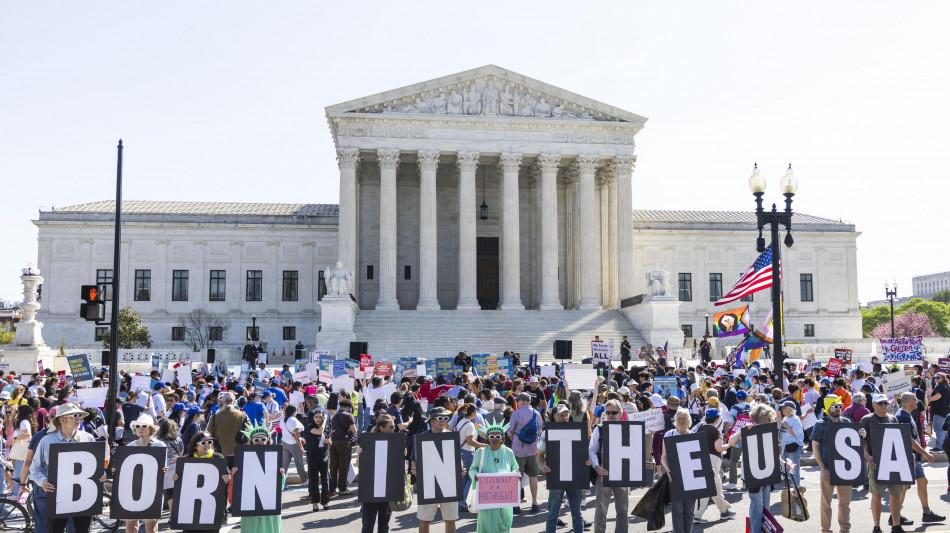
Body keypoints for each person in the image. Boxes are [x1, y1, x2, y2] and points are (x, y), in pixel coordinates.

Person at [29, 403, 107, 533]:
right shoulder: (47, 440)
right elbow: (35, 468)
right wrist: (42, 481)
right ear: (62, 419)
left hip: (83, 496)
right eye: (75, 415)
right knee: (54, 530)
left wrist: (101, 473)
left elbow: (95, 465)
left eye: (80, 416)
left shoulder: (88, 438)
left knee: (82, 530)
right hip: (57, 496)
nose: (79, 419)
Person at [862, 393, 934, 533]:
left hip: (894, 462)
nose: (884, 406)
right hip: (876, 463)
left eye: (885, 403)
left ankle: (896, 525)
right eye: (880, 403)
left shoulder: (893, 418)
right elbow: (860, 441)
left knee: (895, 494)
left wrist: (918, 454)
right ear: (874, 405)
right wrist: (867, 457)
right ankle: (876, 526)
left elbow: (906, 439)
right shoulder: (867, 419)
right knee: (877, 495)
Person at [410, 407, 463, 533]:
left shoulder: (451, 436)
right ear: (431, 421)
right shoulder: (422, 437)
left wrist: (460, 468)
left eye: (445, 418)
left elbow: (457, 458)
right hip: (428, 484)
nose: (443, 421)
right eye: (440, 418)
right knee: (425, 520)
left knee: (450, 520)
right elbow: (413, 459)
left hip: (448, 484)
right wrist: (414, 469)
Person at [811, 395, 859, 533]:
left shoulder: (846, 421)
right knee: (826, 502)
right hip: (828, 468)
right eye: (835, 406)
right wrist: (822, 468)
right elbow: (815, 446)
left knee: (845, 502)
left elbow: (854, 443)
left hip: (845, 469)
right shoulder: (820, 424)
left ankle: (845, 528)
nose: (839, 409)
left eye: (840, 406)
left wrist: (861, 434)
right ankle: (826, 529)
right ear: (828, 407)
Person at [540, 404, 591, 533]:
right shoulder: (547, 433)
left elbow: (583, 453)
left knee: (577, 514)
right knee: (553, 514)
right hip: (556, 476)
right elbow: (539, 454)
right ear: (555, 417)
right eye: (561, 415)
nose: (564, 418)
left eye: (566, 415)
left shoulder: (577, 431)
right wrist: (542, 465)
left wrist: (587, 461)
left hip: (574, 477)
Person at [896, 391, 945, 525]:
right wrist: (926, 453)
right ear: (909, 401)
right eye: (915, 399)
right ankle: (895, 515)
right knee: (904, 486)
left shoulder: (907, 415)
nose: (918, 402)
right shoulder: (902, 416)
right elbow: (909, 440)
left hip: (913, 458)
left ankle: (927, 513)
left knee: (922, 482)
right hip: (907, 457)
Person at [746, 404, 796, 533]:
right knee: (757, 505)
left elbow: (772, 454)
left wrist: (785, 464)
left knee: (765, 506)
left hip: (767, 473)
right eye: (770, 419)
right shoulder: (748, 430)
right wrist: (745, 430)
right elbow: (733, 442)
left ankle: (762, 530)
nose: (772, 421)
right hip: (754, 475)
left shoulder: (769, 433)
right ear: (763, 418)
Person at [172, 432, 233, 533]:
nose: (207, 445)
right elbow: (179, 482)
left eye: (209, 442)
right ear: (195, 446)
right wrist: (175, 478)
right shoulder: (187, 459)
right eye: (203, 442)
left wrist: (228, 477)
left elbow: (228, 476)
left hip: (210, 507)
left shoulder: (218, 458)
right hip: (190, 507)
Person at [469, 420, 519, 533]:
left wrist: (516, 474)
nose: (495, 438)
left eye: (498, 436)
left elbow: (514, 467)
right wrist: (475, 475)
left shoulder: (509, 452)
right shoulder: (480, 452)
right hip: (487, 499)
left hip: (505, 498)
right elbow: (472, 469)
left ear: (502, 438)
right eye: (492, 436)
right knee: (487, 526)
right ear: (487, 437)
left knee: (504, 524)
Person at [234, 421, 285, 533]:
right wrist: (235, 474)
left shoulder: (274, 456)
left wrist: (281, 476)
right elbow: (239, 484)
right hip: (251, 502)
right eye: (256, 440)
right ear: (251, 441)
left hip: (269, 500)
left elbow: (280, 487)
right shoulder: (243, 457)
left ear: (268, 439)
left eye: (263, 439)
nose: (260, 442)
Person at [590, 399, 629, 533]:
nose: (611, 415)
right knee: (601, 510)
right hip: (603, 474)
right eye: (608, 412)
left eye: (614, 412)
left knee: (623, 511)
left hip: (622, 475)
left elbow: (635, 453)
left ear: (620, 413)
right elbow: (592, 450)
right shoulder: (599, 429)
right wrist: (596, 467)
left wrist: (638, 476)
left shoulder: (628, 429)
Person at [124, 415, 168, 533]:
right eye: (137, 426)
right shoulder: (130, 446)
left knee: (151, 527)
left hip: (151, 490)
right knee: (131, 525)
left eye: (144, 426)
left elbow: (161, 470)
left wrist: (163, 471)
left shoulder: (159, 446)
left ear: (151, 429)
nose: (140, 428)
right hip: (132, 490)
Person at [693, 408, 738, 523]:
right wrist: (729, 445)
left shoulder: (700, 427)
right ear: (717, 419)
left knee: (716, 487)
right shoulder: (714, 431)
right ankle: (697, 515)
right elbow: (718, 448)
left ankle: (723, 511)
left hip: (700, 458)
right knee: (709, 487)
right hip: (713, 460)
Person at [661, 408, 701, 533]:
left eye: (684, 418)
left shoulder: (694, 436)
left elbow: (700, 458)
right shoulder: (669, 435)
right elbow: (663, 457)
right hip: (675, 478)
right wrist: (667, 469)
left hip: (691, 478)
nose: (681, 421)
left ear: (689, 420)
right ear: (675, 420)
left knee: (689, 510)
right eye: (679, 418)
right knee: (677, 510)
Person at [359, 414, 398, 533]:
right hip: (371, 488)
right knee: (368, 524)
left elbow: (397, 467)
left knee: (384, 525)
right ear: (381, 427)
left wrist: (401, 455)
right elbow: (360, 466)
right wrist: (359, 454)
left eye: (394, 426)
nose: (394, 429)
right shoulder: (368, 441)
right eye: (391, 427)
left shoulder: (396, 441)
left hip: (388, 488)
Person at [506, 392, 543, 514]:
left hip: (518, 449)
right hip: (532, 449)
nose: (516, 402)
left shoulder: (516, 414)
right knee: (533, 477)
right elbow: (539, 431)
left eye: (518, 400)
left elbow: (510, 431)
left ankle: (516, 505)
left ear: (521, 401)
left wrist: (516, 440)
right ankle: (535, 503)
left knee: (517, 477)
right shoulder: (536, 413)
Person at [206, 391, 249, 468]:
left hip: (220, 454)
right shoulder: (243, 415)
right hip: (239, 454)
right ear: (234, 402)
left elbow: (208, 435)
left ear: (222, 402)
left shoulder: (215, 417)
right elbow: (250, 432)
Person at [456, 403, 484, 513]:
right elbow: (470, 441)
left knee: (464, 478)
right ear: (472, 413)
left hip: (460, 451)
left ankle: (460, 503)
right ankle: (463, 502)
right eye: (475, 412)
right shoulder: (469, 424)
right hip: (468, 451)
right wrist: (482, 445)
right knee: (472, 477)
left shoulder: (461, 422)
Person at [304, 407, 331, 510]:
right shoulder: (310, 426)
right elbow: (320, 432)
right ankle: (315, 502)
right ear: (313, 418)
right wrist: (324, 421)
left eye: (320, 417)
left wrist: (329, 442)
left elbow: (328, 439)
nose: (318, 419)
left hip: (324, 454)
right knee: (314, 478)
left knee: (325, 478)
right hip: (313, 454)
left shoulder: (327, 427)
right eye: (316, 417)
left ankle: (325, 501)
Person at [329, 398, 357, 496]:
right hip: (344, 442)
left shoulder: (334, 416)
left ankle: (332, 488)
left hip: (333, 442)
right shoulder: (348, 416)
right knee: (343, 466)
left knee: (333, 466)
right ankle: (342, 488)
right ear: (348, 407)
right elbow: (354, 430)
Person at [155, 417, 183, 514]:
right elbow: (180, 453)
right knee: (172, 491)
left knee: (158, 491)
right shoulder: (178, 439)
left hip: (160, 467)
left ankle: (153, 513)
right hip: (174, 466)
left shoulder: (157, 441)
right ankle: (173, 514)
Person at [278, 404, 309, 486]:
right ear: (294, 412)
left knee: (284, 465)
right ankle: (304, 480)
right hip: (294, 443)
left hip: (284, 442)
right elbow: (296, 434)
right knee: (299, 463)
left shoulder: (283, 420)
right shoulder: (294, 420)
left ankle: (282, 483)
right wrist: (301, 446)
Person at [9, 404, 36, 497]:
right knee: (20, 473)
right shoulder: (25, 421)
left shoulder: (23, 422)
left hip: (21, 452)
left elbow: (27, 434)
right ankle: (21, 496)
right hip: (24, 450)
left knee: (19, 474)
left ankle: (17, 495)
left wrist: (15, 439)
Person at [778, 400, 805, 488]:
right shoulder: (786, 418)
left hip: (793, 446)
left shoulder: (795, 419)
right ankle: (793, 484)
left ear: (790, 409)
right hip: (785, 446)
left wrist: (786, 426)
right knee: (786, 467)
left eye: (784, 408)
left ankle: (796, 486)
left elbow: (795, 433)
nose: (782, 409)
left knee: (794, 467)